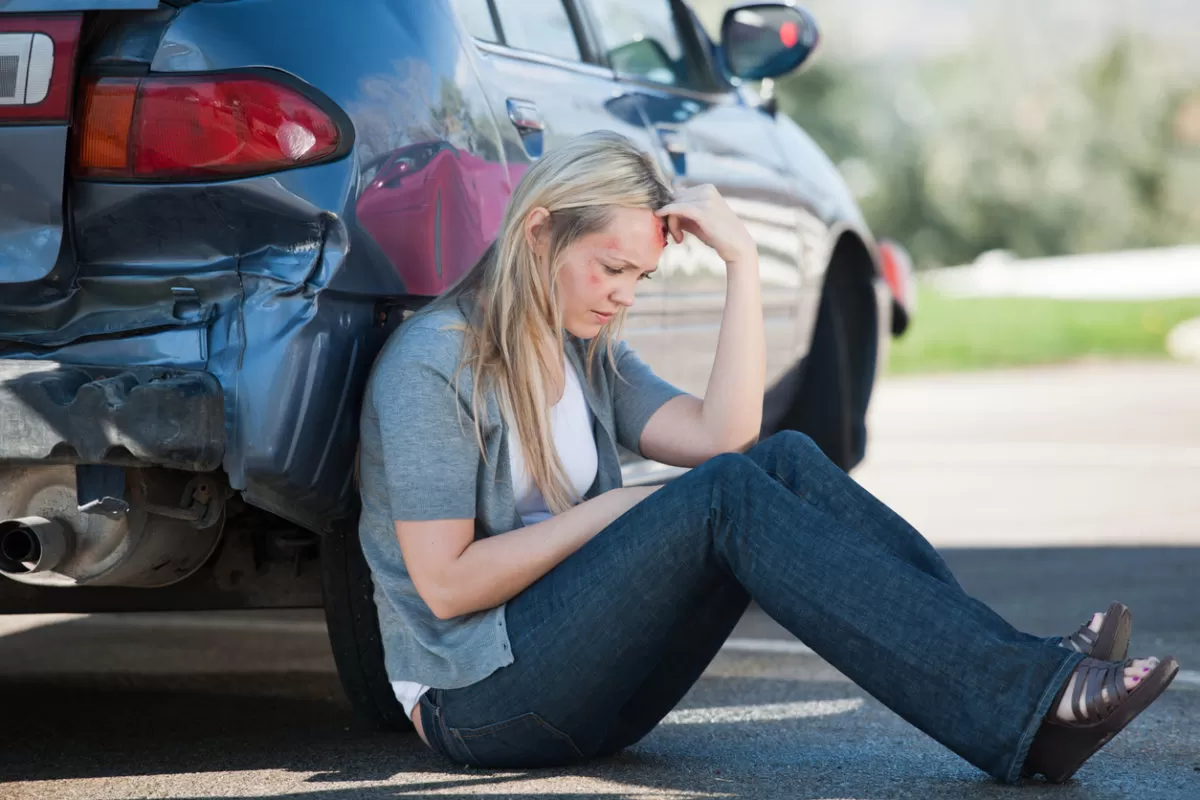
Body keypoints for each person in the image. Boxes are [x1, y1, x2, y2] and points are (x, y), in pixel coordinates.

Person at [355, 130, 1178, 785]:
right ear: (539, 233)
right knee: (723, 497)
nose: (622, 296)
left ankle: (1018, 675)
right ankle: (1027, 698)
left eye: (639, 276)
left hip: (588, 689)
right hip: (478, 701)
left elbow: (727, 438)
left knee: (778, 459)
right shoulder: (436, 365)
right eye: (610, 268)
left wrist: (742, 261)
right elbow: (447, 583)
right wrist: (614, 509)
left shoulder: (585, 352)